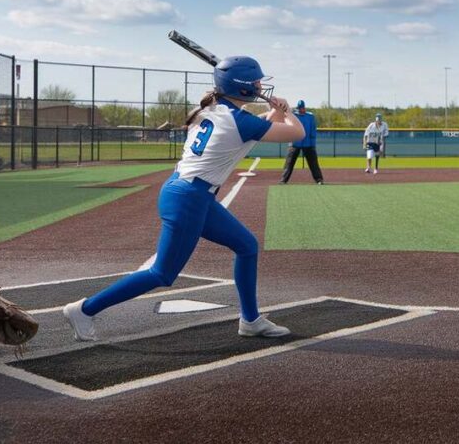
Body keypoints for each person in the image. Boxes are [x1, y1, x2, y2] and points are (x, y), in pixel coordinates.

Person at [62, 55, 305, 341]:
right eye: (255, 81)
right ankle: (85, 309)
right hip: (189, 199)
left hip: (189, 194)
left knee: (246, 245)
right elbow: (297, 132)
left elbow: (259, 125)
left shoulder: (213, 110)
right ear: (241, 87)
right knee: (162, 274)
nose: (260, 85)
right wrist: (287, 110)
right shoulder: (238, 120)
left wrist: (275, 112)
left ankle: (250, 320)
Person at [279, 100, 324, 185]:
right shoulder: (294, 116)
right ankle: (283, 180)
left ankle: (319, 179)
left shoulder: (310, 117)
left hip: (308, 143)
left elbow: (313, 131)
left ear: (304, 108)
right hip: (295, 143)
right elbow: (287, 120)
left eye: (302, 108)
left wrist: (313, 144)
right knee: (289, 163)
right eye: (299, 108)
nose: (301, 110)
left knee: (313, 163)